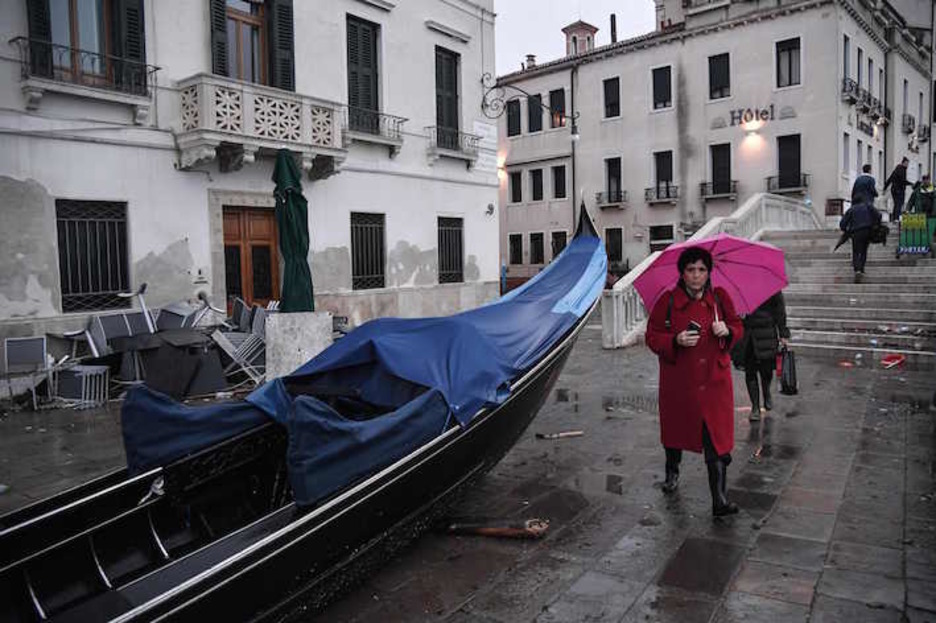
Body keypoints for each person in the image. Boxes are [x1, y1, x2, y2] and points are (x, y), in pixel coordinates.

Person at [645, 247, 744, 517]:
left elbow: (737, 326)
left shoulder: (719, 299)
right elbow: (652, 337)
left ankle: (720, 500)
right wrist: (674, 341)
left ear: (708, 272)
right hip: (681, 383)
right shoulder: (667, 301)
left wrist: (728, 330)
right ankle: (672, 471)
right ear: (682, 272)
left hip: (714, 382)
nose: (696, 276)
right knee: (675, 432)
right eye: (691, 270)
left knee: (716, 439)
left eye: (702, 270)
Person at [740, 292, 790, 422]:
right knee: (750, 371)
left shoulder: (771, 288)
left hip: (767, 332)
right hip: (748, 335)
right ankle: (755, 407)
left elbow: (780, 310)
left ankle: (766, 391)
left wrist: (783, 332)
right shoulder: (742, 287)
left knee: (766, 370)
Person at [840, 198, 882, 283]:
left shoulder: (851, 209)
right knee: (863, 251)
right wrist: (875, 225)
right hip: (867, 230)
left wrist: (846, 230)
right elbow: (878, 215)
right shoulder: (868, 206)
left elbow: (842, 223)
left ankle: (857, 270)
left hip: (855, 232)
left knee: (856, 251)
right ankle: (861, 269)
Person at [883, 157, 912, 223]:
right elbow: (902, 181)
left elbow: (890, 178)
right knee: (899, 203)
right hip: (898, 189)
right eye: (907, 163)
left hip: (894, 189)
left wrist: (885, 188)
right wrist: (911, 183)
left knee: (897, 203)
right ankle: (896, 218)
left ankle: (894, 218)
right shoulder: (902, 169)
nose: (907, 165)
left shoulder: (897, 169)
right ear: (904, 162)